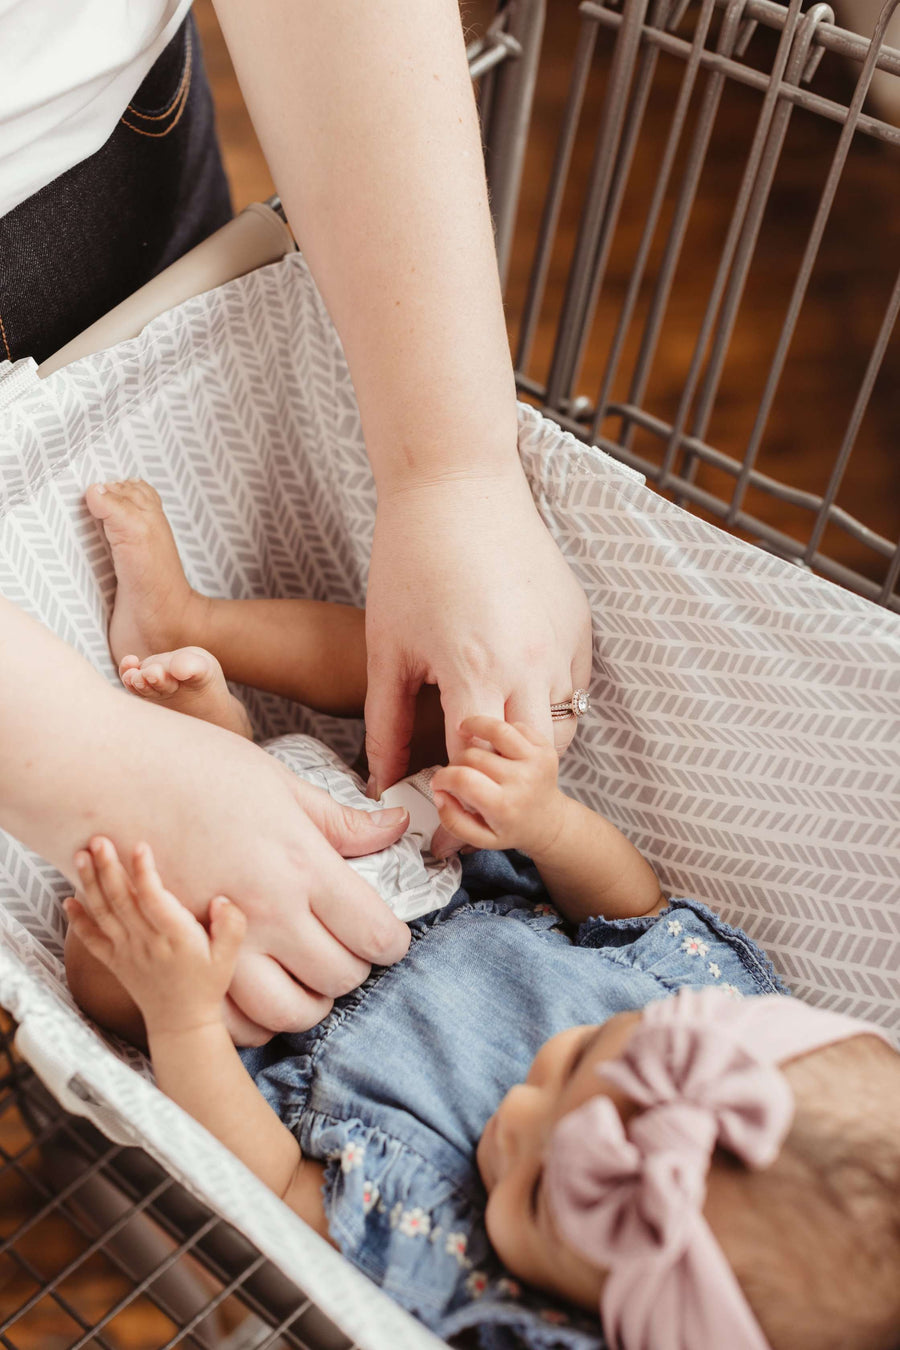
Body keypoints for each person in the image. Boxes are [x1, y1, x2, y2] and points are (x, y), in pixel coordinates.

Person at [1, 1, 592, 1027]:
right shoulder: (660, 994)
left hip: (97, 149)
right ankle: (195, 646)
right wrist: (102, 766)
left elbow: (131, 1012)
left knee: (136, 935)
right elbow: (639, 906)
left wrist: (453, 475)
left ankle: (195, 665)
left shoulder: (396, 1179)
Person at [62, 690, 900, 1348]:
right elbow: (635, 909)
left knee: (109, 978)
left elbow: (277, 1185)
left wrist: (183, 1022)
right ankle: (219, 719)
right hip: (413, 859)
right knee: (441, 713)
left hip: (261, 1003)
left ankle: (199, 783)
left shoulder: (452, 1259)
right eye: (576, 1065)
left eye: (535, 1195)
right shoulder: (696, 1008)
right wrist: (550, 824)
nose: (520, 1115)